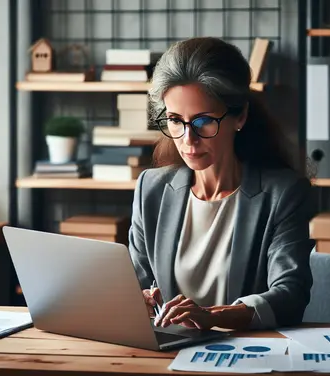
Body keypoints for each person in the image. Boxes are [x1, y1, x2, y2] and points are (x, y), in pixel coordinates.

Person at [127, 37, 316, 332]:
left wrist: (214, 317)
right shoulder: (150, 189)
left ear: (239, 116)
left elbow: (290, 296)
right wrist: (136, 299)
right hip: (165, 355)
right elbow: (134, 283)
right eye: (175, 120)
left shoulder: (284, 193)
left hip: (246, 356)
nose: (187, 140)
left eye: (203, 121)